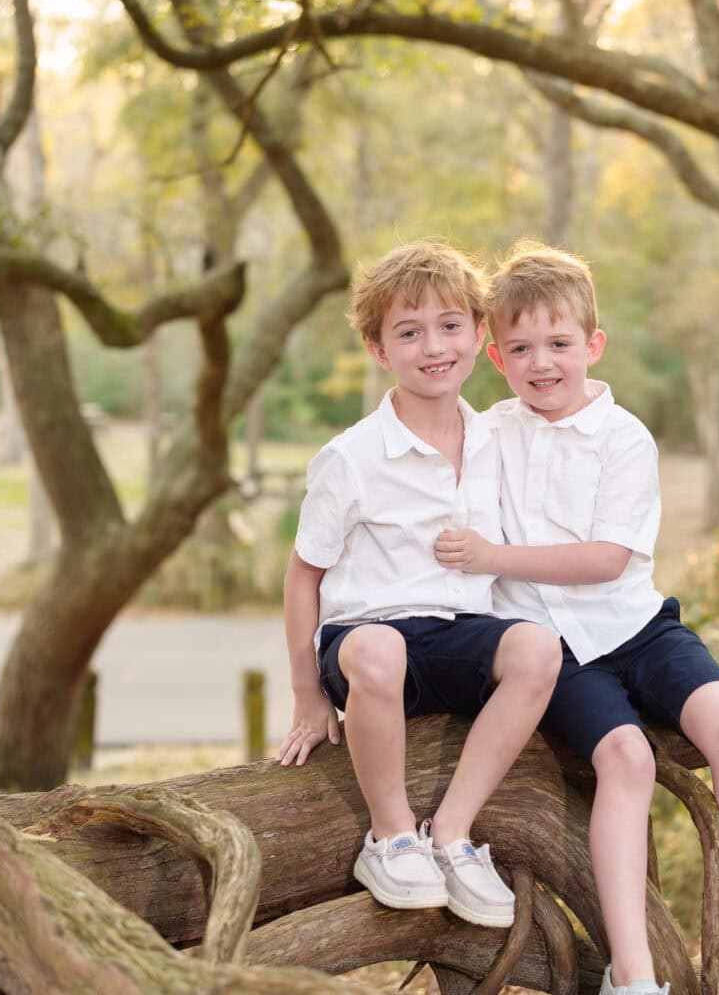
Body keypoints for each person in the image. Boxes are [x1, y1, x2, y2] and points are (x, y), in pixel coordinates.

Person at [435, 240, 719, 992]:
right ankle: (635, 971)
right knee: (627, 760)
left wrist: (492, 555)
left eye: (558, 344)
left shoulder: (624, 438)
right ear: (497, 356)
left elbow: (606, 560)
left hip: (637, 627)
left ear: (593, 345)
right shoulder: (488, 431)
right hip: (555, 649)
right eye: (520, 348)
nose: (541, 362)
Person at [278, 239, 562, 930]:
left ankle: (453, 835)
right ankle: (392, 836)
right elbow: (302, 576)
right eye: (409, 333)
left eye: (450, 326)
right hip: (366, 642)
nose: (433, 347)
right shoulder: (352, 458)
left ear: (478, 333)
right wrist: (309, 698)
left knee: (537, 650)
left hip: (457, 634)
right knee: (380, 651)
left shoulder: (500, 440)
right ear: (380, 350)